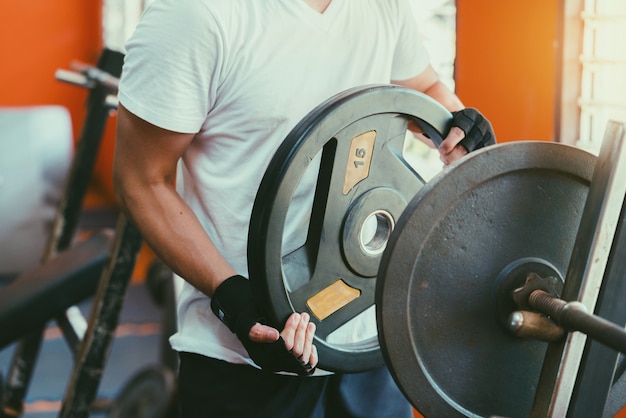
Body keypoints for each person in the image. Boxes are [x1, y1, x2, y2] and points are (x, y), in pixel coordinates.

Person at [112, 0, 496, 417]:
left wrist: (458, 123)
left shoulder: (382, 6)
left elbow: (420, 92)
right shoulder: (195, 14)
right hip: (245, 355)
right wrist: (232, 296)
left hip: (367, 339)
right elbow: (141, 181)